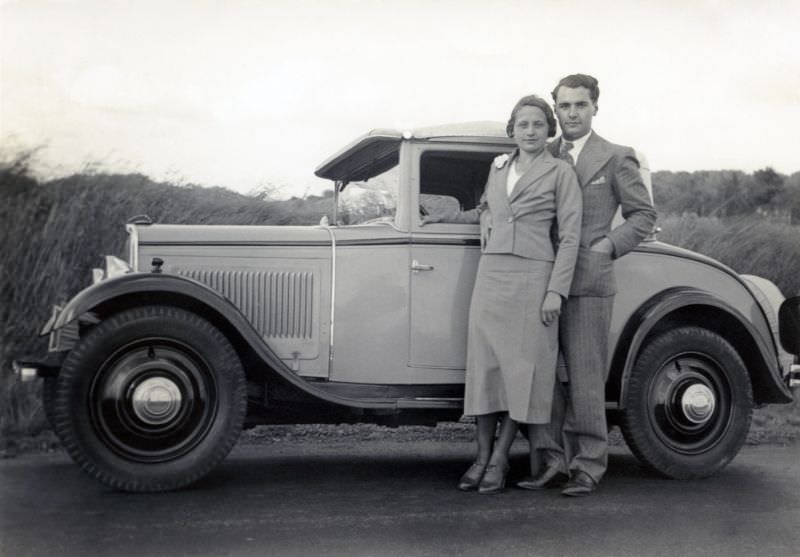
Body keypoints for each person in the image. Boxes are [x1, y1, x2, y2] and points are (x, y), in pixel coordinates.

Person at [426, 94, 582, 494]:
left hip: (534, 278)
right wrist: (451, 216)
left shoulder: (560, 172)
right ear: (511, 130)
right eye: (523, 125)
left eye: (538, 125)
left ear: (549, 131)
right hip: (491, 275)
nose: (530, 132)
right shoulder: (499, 167)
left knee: (520, 374)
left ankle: (498, 461)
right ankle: (479, 458)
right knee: (486, 370)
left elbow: (570, 237)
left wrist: (556, 293)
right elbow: (485, 210)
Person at [522, 74, 657, 497]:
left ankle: (589, 465)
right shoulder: (540, 152)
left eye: (580, 105)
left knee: (584, 377)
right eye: (564, 106)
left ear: (595, 107)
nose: (572, 114)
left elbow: (643, 216)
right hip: (541, 280)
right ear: (555, 109)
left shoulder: (617, 157)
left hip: (589, 282)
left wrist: (607, 246)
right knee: (541, 375)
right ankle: (552, 461)